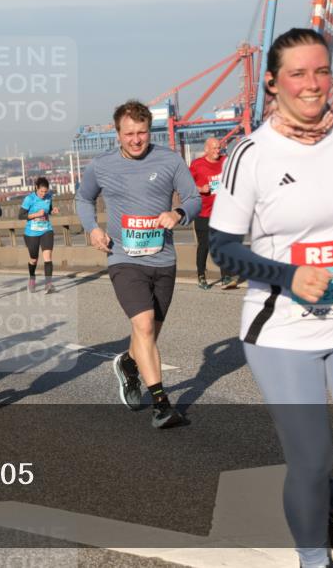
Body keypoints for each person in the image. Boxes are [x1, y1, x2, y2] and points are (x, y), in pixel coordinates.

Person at [209, 28, 333, 568]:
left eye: (321, 71)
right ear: (273, 84)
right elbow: (222, 249)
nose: (312, 84)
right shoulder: (250, 153)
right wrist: (288, 275)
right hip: (282, 331)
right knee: (312, 459)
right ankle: (312, 558)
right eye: (298, 73)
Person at [76, 99, 201, 428]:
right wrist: (92, 229)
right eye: (129, 133)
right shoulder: (101, 166)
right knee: (143, 325)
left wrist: (178, 213)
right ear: (117, 133)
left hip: (163, 260)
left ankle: (129, 365)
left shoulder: (170, 160)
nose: (135, 140)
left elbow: (194, 198)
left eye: (142, 133)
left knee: (149, 334)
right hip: (123, 258)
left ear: (150, 131)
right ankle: (161, 404)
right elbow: (83, 197)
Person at [189, 137, 235, 289]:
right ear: (206, 149)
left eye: (219, 148)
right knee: (205, 245)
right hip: (203, 213)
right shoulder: (197, 165)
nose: (217, 151)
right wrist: (200, 189)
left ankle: (226, 277)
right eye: (214, 148)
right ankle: (201, 276)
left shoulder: (225, 161)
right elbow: (186, 187)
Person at [19, 177, 59, 294]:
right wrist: (35, 214)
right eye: (41, 191)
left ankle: (48, 284)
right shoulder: (29, 199)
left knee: (48, 257)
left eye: (45, 191)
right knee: (34, 259)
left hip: (46, 230)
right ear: (36, 188)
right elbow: (21, 215)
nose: (43, 194)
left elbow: (49, 210)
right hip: (31, 233)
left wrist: (53, 211)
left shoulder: (48, 197)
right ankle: (32, 278)